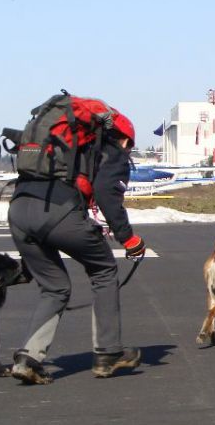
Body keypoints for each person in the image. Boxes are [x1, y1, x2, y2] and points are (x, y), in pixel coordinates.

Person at [8, 110, 146, 383]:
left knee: (55, 287)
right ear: (123, 139)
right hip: (58, 211)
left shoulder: (64, 148)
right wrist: (128, 239)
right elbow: (107, 194)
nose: (129, 150)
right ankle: (108, 354)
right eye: (130, 145)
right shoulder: (111, 152)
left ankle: (29, 358)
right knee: (104, 270)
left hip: (18, 211)